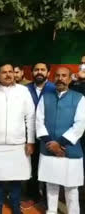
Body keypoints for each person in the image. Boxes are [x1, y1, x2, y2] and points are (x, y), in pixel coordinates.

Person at [0, 63, 35, 214]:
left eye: (10, 72)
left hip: (18, 143)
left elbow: (30, 117)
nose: (8, 75)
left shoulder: (23, 91)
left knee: (16, 178)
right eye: (4, 72)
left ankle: (15, 205)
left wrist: (30, 141)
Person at [36, 67, 85, 214]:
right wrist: (52, 144)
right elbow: (39, 121)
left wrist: (60, 144)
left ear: (70, 78)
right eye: (57, 75)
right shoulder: (45, 97)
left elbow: (80, 124)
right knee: (51, 184)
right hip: (48, 147)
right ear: (53, 77)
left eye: (64, 76)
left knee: (71, 187)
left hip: (70, 149)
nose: (60, 78)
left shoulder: (80, 98)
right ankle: (51, 211)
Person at [23, 62, 56, 208]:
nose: (39, 72)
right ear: (32, 72)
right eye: (36, 69)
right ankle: (33, 195)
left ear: (48, 72)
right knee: (32, 167)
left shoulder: (55, 88)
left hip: (50, 135)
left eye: (43, 69)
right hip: (30, 135)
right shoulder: (25, 89)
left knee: (51, 167)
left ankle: (52, 200)